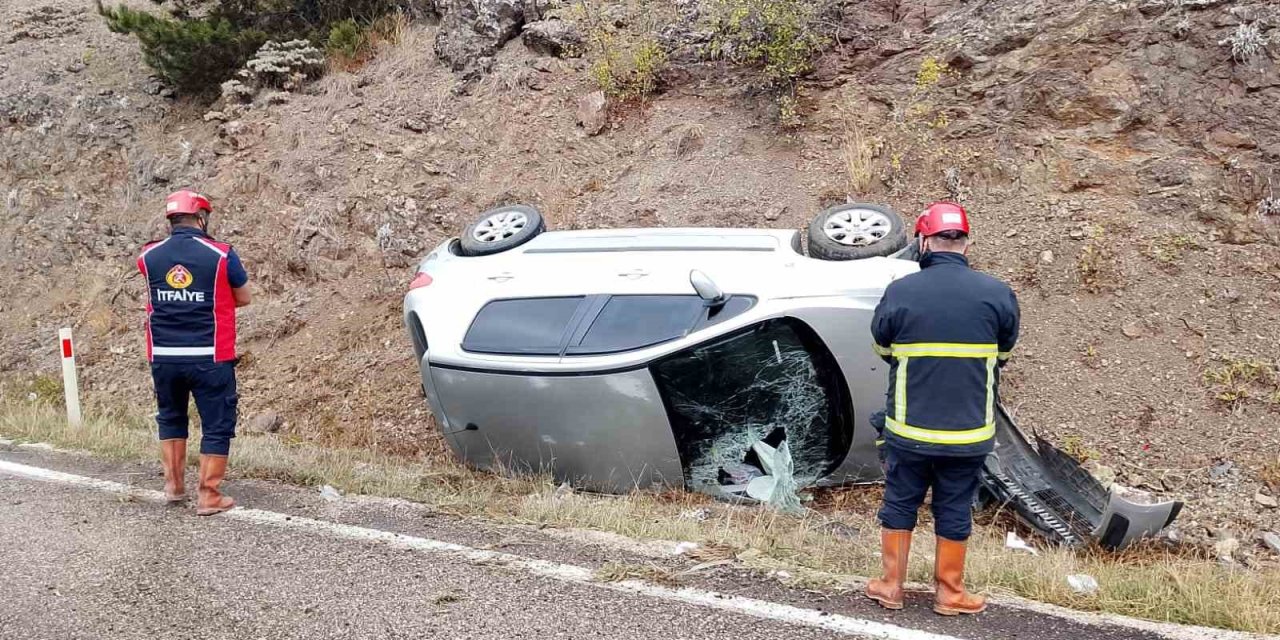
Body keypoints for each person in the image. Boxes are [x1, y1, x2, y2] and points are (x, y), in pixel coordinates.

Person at [864, 201, 1019, 616]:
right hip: (968, 433)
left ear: (923, 242)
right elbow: (1003, 355)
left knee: (900, 502)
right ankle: (950, 594)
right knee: (954, 506)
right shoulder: (998, 294)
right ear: (965, 244)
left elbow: (882, 348)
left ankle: (891, 588)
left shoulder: (901, 291)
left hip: (909, 430)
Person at [136, 190, 251, 516]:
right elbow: (244, 297)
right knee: (217, 423)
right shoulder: (221, 255)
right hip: (209, 355)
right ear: (201, 218)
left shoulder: (148, 256)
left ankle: (174, 487)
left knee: (171, 416)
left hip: (163, 355)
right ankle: (209, 495)